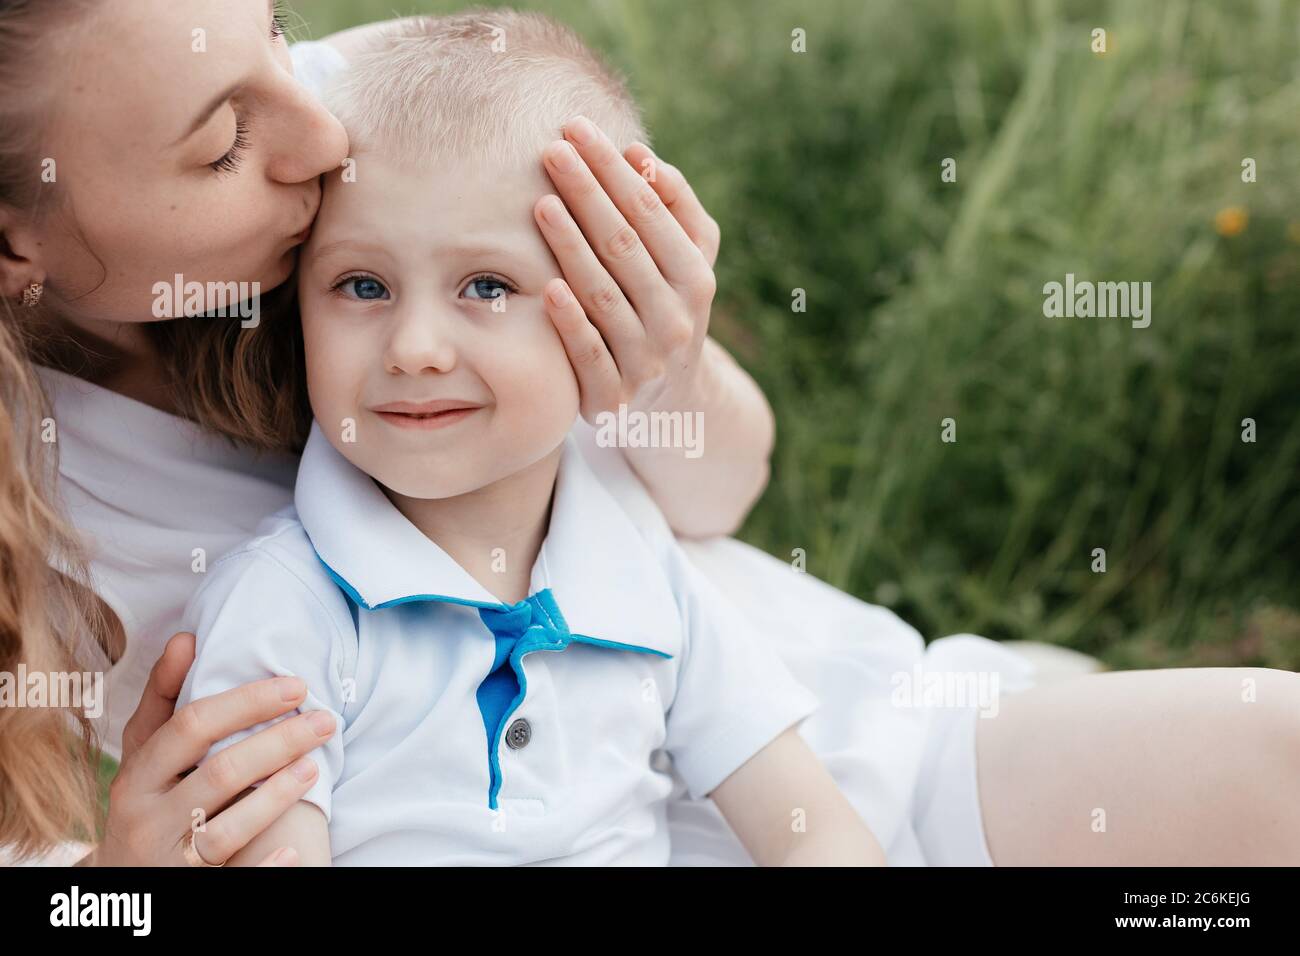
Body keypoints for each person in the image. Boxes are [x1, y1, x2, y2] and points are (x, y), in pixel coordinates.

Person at [3, 1, 1297, 868]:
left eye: (277, 29)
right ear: (19, 241)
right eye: (225, 144)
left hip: (842, 740)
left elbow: (719, 489)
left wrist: (662, 356)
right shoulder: (175, 561)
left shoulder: (387, 107)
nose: (320, 128)